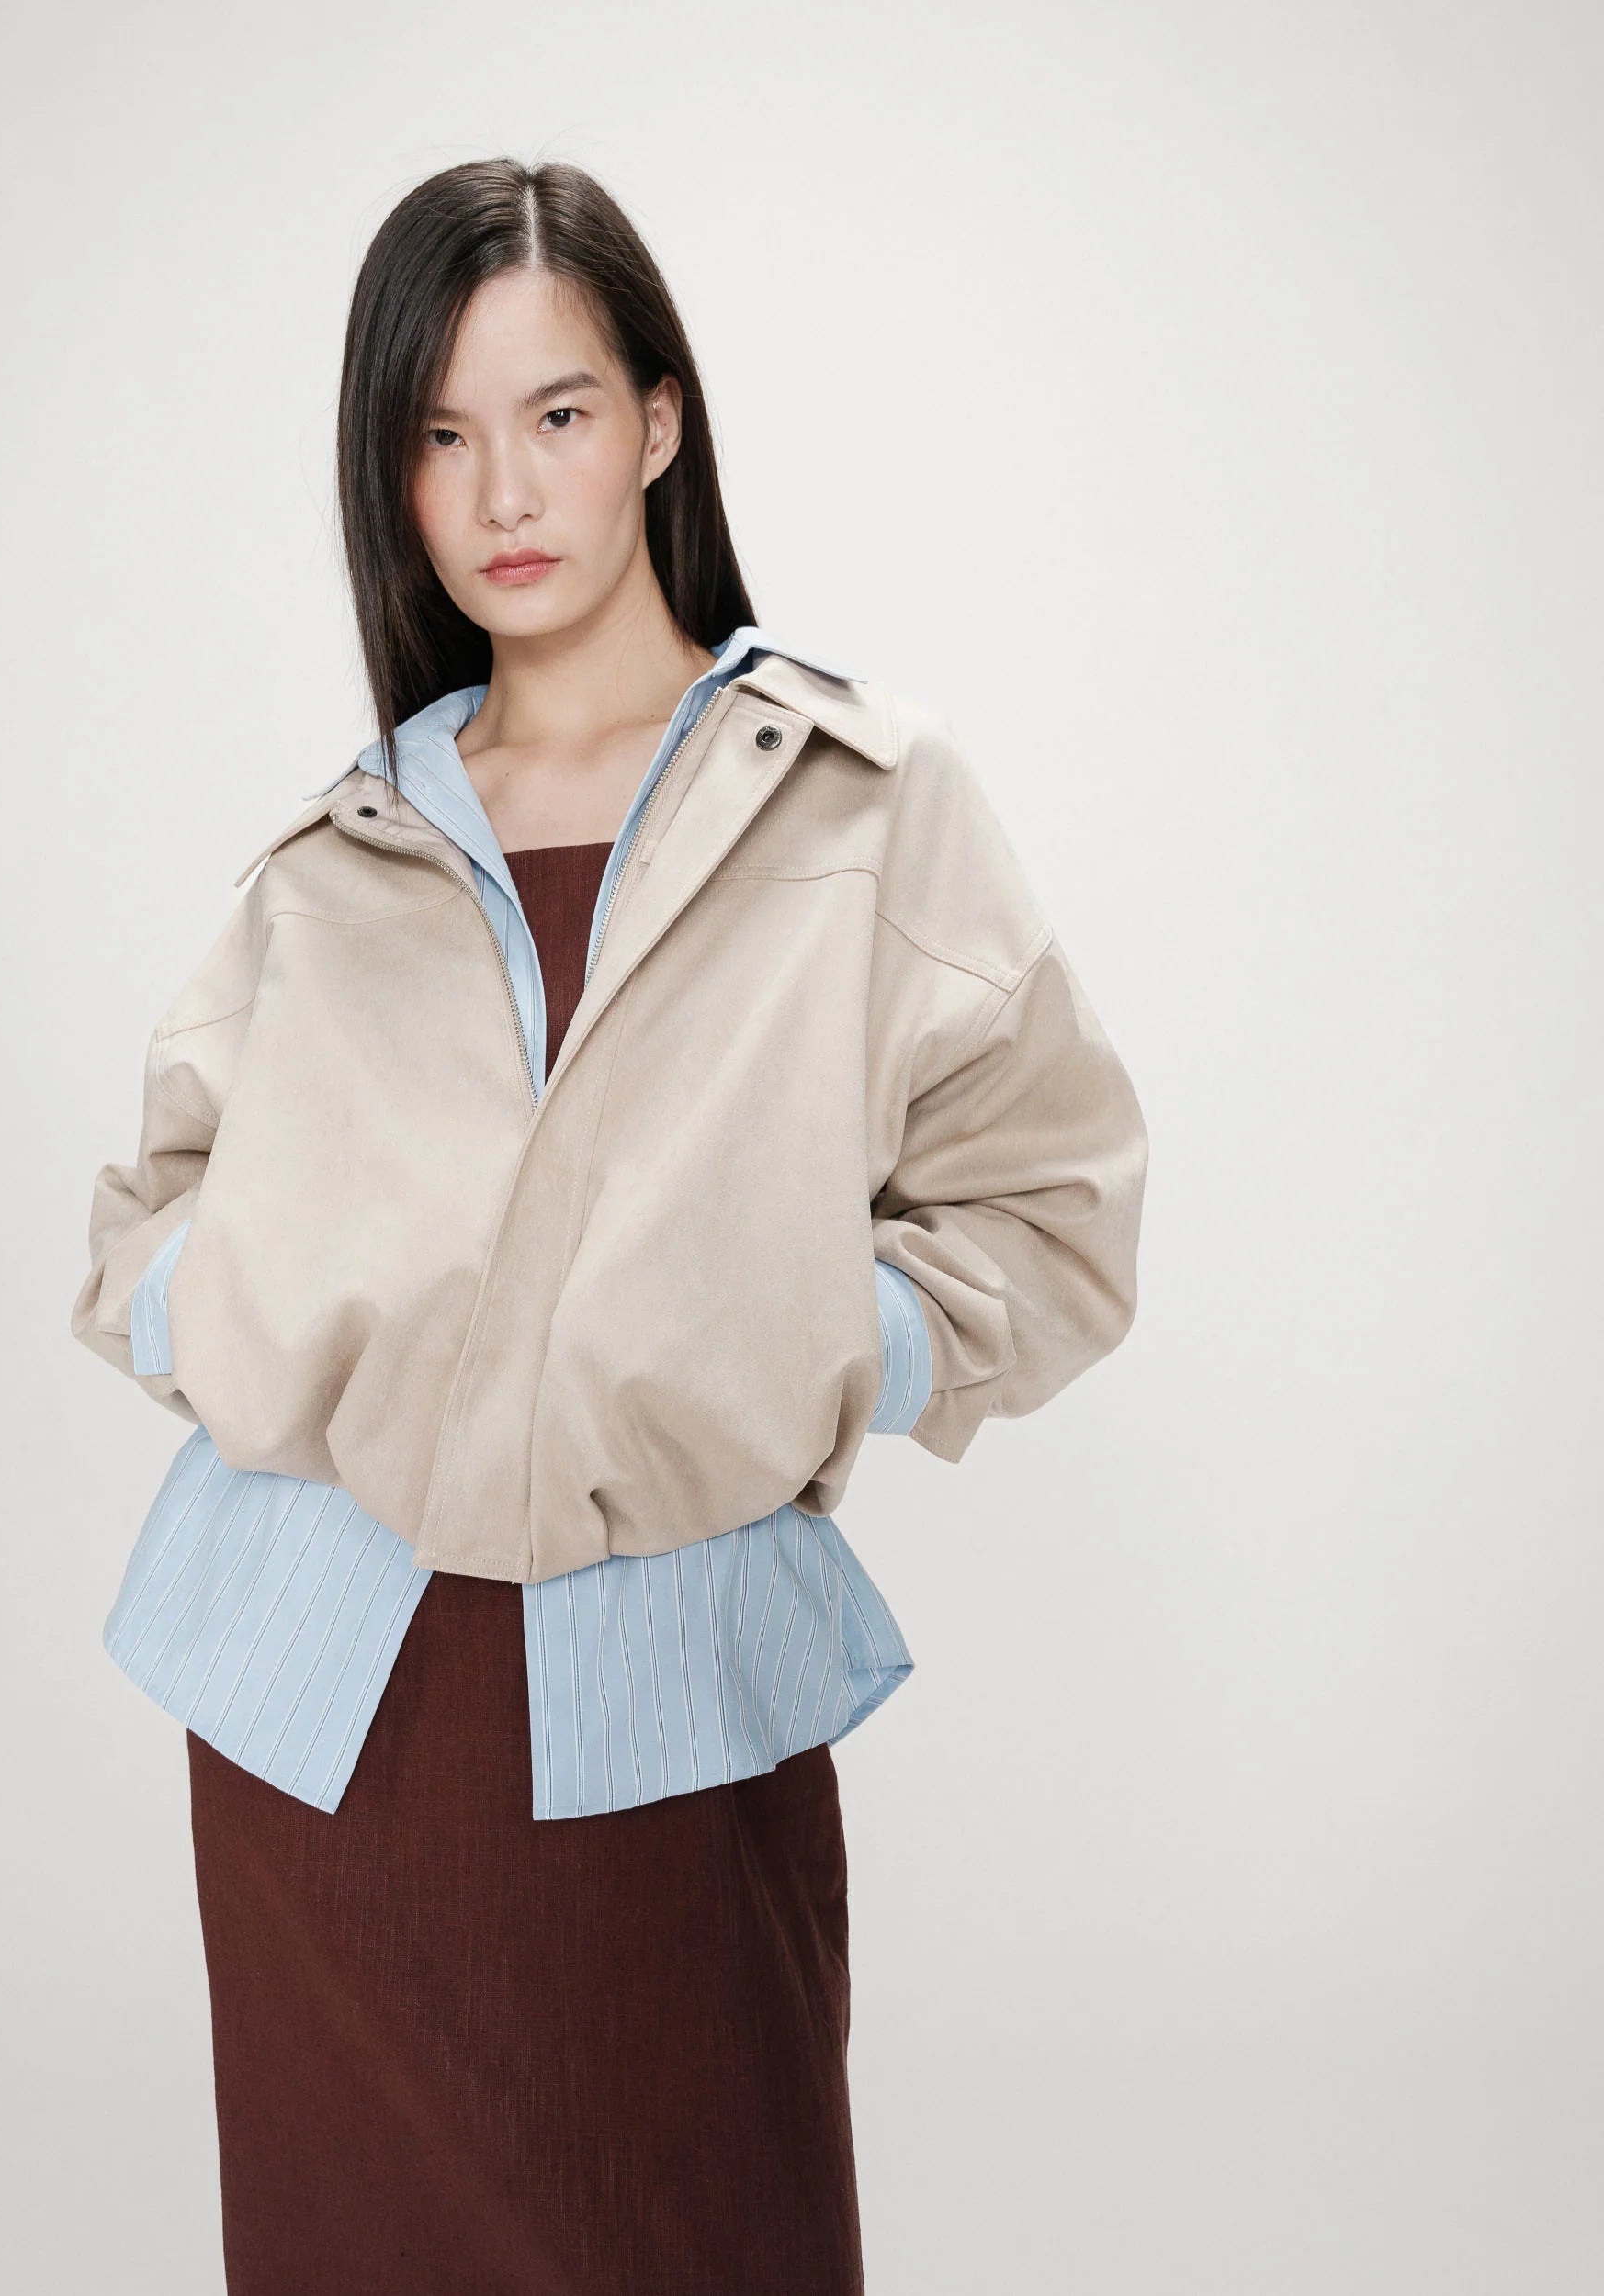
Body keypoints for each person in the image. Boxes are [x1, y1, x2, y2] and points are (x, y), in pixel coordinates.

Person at [71, 153, 1149, 2296]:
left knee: (703, 2224)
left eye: (555, 413)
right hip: (316, 1709)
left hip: (662, 1692)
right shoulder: (343, 848)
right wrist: (261, 1303)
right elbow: (149, 1221)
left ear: (658, 420)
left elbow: (1052, 1208)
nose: (502, 491)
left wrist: (792, 1345)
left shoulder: (856, 795)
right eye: (439, 434)